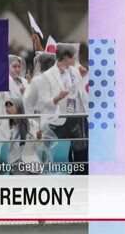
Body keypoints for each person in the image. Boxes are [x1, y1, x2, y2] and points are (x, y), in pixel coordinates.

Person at [37, 43, 89, 175]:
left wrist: (84, 75)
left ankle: (81, 177)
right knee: (60, 155)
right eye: (73, 56)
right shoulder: (47, 75)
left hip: (77, 118)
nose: (76, 59)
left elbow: (81, 91)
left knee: (81, 152)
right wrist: (57, 98)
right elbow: (43, 101)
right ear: (65, 56)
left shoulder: (75, 71)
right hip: (58, 121)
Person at [5, 98, 45, 175]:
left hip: (30, 163)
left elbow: (38, 147)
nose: (7, 109)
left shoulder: (32, 124)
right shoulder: (6, 126)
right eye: (6, 107)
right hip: (15, 163)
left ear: (18, 107)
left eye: (10, 106)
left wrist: (39, 138)